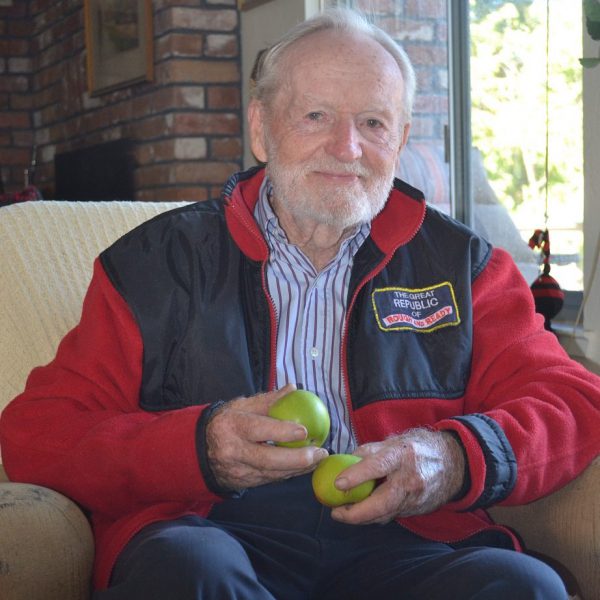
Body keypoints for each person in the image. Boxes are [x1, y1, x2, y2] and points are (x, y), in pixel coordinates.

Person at [1, 8, 599, 600]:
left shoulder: (464, 267)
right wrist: (198, 447)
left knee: (523, 586)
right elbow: (39, 432)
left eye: (373, 122)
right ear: (261, 128)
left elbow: (573, 400)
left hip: (405, 537)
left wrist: (452, 457)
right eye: (316, 116)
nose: (347, 147)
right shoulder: (156, 264)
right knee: (189, 571)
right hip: (211, 525)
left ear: (401, 140)